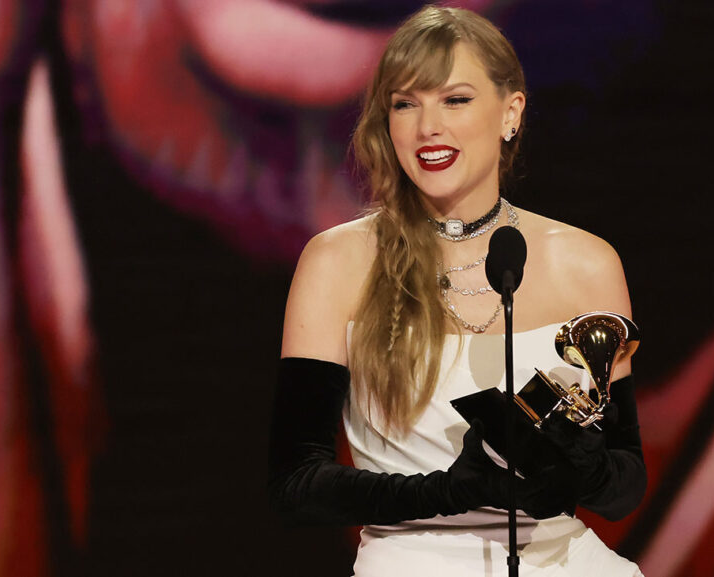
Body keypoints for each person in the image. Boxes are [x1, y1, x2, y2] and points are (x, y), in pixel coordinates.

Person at [268, 6, 646, 575]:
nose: (427, 127)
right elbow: (295, 484)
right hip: (411, 560)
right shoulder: (337, 263)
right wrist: (447, 492)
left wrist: (577, 470)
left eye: (455, 100)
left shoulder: (586, 263)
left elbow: (624, 486)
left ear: (510, 112)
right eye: (405, 103)